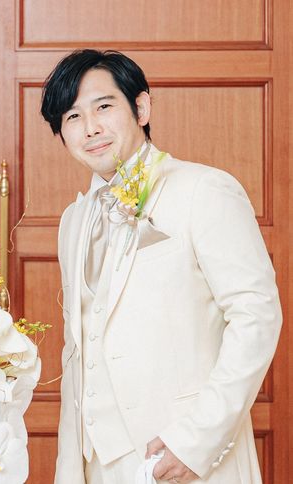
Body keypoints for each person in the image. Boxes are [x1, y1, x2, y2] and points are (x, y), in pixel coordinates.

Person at [40, 49, 282, 484]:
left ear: (141, 107)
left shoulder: (204, 189)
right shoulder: (74, 220)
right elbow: (79, 350)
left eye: (103, 107)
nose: (90, 128)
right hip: (93, 464)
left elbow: (257, 317)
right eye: (72, 117)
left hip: (185, 456)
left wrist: (196, 441)